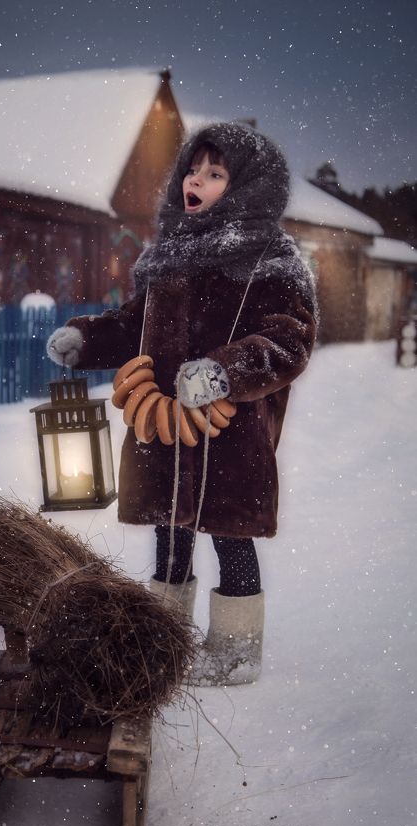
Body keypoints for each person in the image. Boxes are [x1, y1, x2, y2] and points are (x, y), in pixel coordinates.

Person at [46, 122, 317, 685]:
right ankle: (162, 643)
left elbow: (287, 341)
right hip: (163, 424)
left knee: (229, 537)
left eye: (216, 173)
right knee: (171, 532)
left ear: (247, 186)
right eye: (193, 169)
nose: (197, 180)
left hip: (230, 431)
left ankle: (235, 654)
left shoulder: (273, 259)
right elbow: (131, 325)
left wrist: (222, 372)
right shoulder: (171, 256)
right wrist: (88, 340)